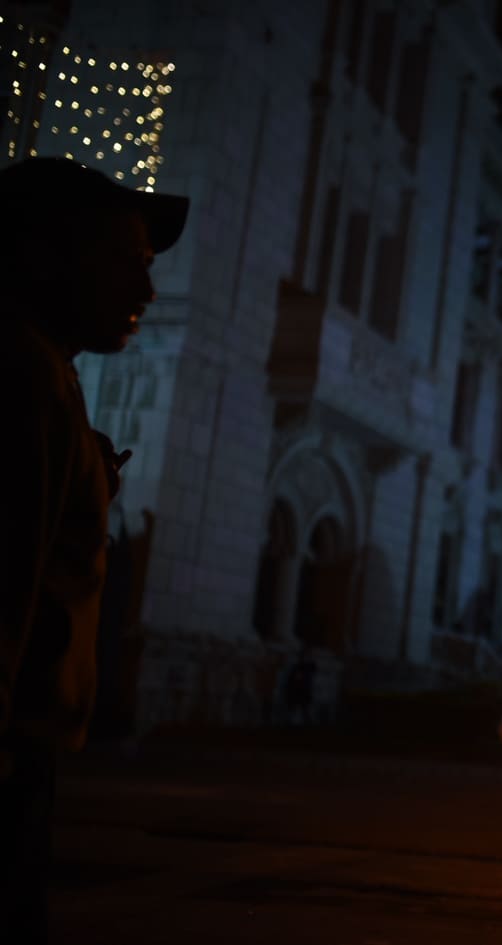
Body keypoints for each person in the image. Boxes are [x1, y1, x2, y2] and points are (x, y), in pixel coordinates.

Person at [0, 157, 188, 943]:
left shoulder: (48, 378)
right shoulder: (22, 381)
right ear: (45, 255)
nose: (147, 293)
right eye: (127, 263)